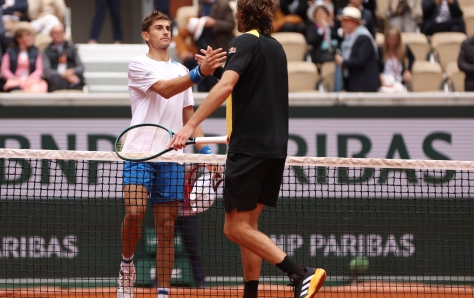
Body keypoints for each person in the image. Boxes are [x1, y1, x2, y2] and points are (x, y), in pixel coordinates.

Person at [167, 1, 327, 298]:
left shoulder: (243, 41)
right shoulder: (276, 47)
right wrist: (215, 71)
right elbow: (249, 86)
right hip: (274, 148)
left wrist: (190, 127)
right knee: (249, 226)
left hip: (249, 147)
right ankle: (250, 294)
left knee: (233, 228)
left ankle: (300, 272)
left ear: (242, 15)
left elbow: (228, 87)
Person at [117, 10, 226, 298]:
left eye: (168, 27)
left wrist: (207, 154)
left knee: (166, 228)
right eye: (159, 28)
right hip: (139, 151)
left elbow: (188, 117)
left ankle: (162, 293)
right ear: (146, 35)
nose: (166, 32)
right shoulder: (138, 65)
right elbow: (165, 91)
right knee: (135, 212)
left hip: (171, 157)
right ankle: (127, 266)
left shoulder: (181, 70)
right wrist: (200, 73)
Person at [174, 0, 235, 92]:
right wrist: (183, 51)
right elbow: (180, 36)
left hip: (218, 47)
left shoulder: (222, 4)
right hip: (200, 50)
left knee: (209, 74)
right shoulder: (195, 17)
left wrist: (213, 23)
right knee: (192, 65)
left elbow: (231, 25)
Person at [334, 7, 380, 92]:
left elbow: (359, 60)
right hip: (355, 86)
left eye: (345, 21)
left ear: (354, 22)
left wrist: (342, 62)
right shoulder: (349, 39)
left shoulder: (364, 38)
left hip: (365, 88)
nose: (342, 24)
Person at [0, 23, 47, 92]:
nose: (30, 37)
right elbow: (4, 69)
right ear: (19, 39)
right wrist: (14, 78)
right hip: (14, 80)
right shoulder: (9, 52)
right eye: (27, 35)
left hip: (31, 81)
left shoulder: (36, 53)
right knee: (15, 88)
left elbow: (39, 70)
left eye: (31, 35)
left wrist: (29, 79)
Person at [42, 24, 84, 92]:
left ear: (64, 33)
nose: (58, 34)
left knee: (78, 81)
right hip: (56, 79)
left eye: (60, 32)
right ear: (50, 35)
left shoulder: (72, 48)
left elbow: (81, 67)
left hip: (72, 77)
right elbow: (47, 70)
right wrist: (64, 75)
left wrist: (71, 71)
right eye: (55, 33)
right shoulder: (47, 51)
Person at [378, 26, 414, 92]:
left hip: (399, 81)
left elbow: (412, 58)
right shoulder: (381, 49)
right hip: (385, 81)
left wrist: (408, 70)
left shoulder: (404, 48)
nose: (392, 42)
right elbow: (375, 64)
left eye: (395, 39)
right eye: (390, 38)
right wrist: (378, 75)